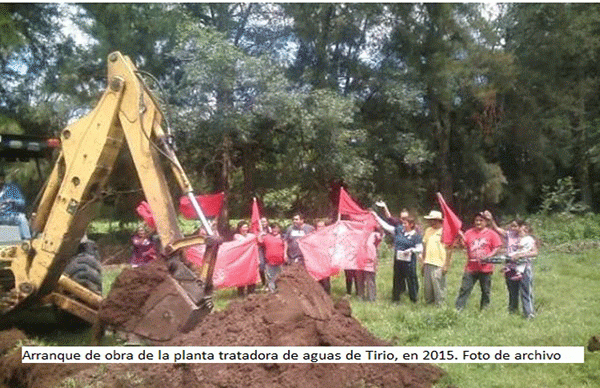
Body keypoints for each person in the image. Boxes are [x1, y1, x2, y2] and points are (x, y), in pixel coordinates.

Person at [455, 212, 502, 311]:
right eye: (476, 220)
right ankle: (458, 309)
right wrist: (460, 239)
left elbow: (497, 247)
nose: (478, 222)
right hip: (471, 267)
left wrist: (489, 256)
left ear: (486, 222)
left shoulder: (491, 234)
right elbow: (464, 245)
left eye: (481, 220)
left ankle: (484, 309)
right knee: (465, 289)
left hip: (485, 268)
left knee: (485, 290)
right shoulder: (468, 233)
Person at [373, 209, 422, 303]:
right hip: (398, 260)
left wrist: (411, 250)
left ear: (411, 225)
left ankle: (414, 299)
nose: (403, 225)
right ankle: (396, 299)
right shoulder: (399, 230)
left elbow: (420, 248)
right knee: (397, 279)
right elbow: (386, 226)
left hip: (409, 261)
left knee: (411, 279)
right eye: (403, 223)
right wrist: (376, 217)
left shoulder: (416, 236)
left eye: (405, 224)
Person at [420, 210, 453, 306]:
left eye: (431, 220)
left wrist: (446, 265)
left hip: (439, 264)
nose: (429, 222)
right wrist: (423, 262)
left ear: (437, 220)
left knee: (438, 288)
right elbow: (425, 246)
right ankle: (429, 306)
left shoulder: (445, 231)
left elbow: (449, 250)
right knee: (428, 288)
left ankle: (440, 307)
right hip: (427, 263)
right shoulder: (428, 230)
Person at [0, 170, 31, 240]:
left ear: (3, 179)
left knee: (22, 218)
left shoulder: (12, 188)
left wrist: (12, 201)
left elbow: (22, 203)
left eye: (1, 179)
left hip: (11, 215)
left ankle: (27, 241)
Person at [356, 226, 383, 302]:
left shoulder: (375, 235)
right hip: (360, 261)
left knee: (370, 281)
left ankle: (371, 298)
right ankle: (360, 297)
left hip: (369, 261)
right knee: (360, 280)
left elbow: (380, 239)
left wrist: (375, 262)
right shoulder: (358, 234)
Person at [257, 223, 287, 292]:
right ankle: (272, 292)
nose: (275, 230)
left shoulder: (282, 238)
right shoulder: (267, 237)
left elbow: (285, 246)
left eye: (276, 228)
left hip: (280, 262)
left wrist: (285, 255)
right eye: (273, 228)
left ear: (279, 229)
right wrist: (260, 234)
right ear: (271, 229)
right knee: (270, 278)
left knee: (280, 278)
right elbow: (259, 241)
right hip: (270, 262)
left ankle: (281, 292)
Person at [233, 220, 257, 296]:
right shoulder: (237, 236)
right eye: (244, 227)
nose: (245, 229)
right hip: (241, 259)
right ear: (240, 228)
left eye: (247, 227)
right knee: (241, 275)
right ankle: (241, 293)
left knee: (251, 274)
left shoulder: (251, 235)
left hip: (250, 259)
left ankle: (251, 292)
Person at [315, 219, 331, 294]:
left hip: (325, 263)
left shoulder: (328, 236)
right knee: (317, 282)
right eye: (318, 226)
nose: (320, 228)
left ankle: (327, 297)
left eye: (322, 226)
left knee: (325, 282)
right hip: (315, 262)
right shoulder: (312, 236)